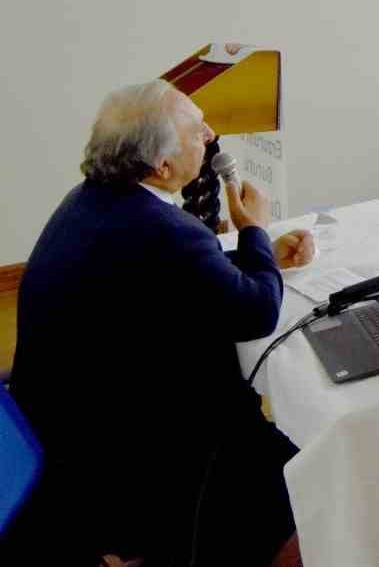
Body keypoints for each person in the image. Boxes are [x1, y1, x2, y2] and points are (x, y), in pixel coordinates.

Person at [8, 81, 314, 565]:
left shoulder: (90, 202)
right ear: (163, 166)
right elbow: (256, 312)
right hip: (125, 461)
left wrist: (258, 259)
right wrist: (254, 228)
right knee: (295, 463)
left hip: (62, 431)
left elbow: (166, 281)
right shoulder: (165, 232)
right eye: (197, 130)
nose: (211, 134)